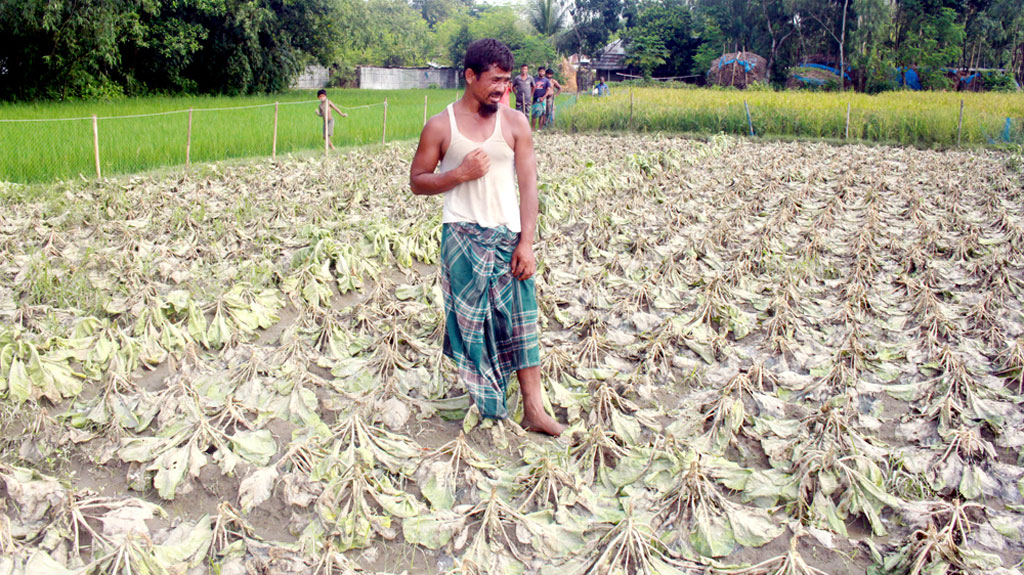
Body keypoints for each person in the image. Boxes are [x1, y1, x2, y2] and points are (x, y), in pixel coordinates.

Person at [409, 38, 565, 436]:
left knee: (521, 321)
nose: (502, 89)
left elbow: (529, 186)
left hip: (507, 236)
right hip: (461, 236)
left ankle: (534, 408)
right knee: (471, 326)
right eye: (494, 80)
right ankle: (490, 403)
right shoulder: (441, 125)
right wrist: (457, 174)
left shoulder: (515, 124)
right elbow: (417, 182)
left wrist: (526, 242)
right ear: (470, 76)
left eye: (507, 81)